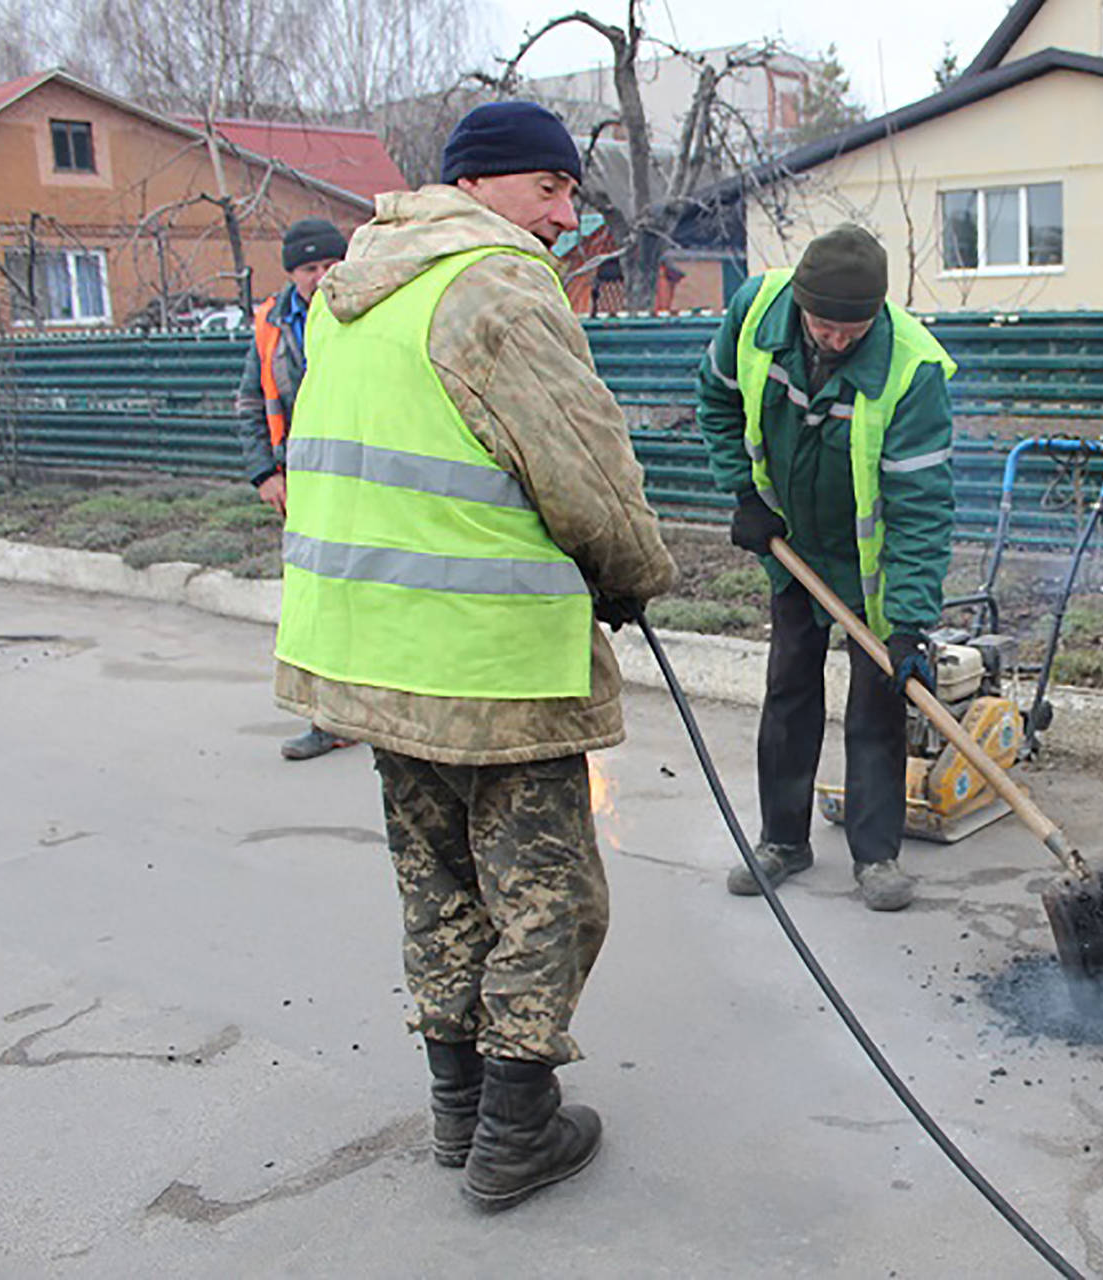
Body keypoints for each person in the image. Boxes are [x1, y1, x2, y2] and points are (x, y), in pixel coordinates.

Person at [272, 100, 677, 1208]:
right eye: (548, 188)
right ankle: (516, 1132)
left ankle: (457, 1111)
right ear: (484, 184)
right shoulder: (492, 287)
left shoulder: (361, 289)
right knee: (546, 893)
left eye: (568, 191)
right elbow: (585, 473)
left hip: (371, 651)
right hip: (490, 662)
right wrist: (633, 574)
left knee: (436, 883)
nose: (564, 213)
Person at [696, 224, 957, 913]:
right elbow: (717, 402)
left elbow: (920, 508)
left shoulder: (912, 370)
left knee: (876, 702)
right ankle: (783, 840)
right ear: (801, 305)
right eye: (823, 326)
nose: (836, 341)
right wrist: (745, 493)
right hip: (791, 545)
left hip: (866, 561)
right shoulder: (755, 313)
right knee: (788, 686)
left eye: (853, 329)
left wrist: (907, 623)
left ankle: (877, 857)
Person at [235, 216, 353, 761]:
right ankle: (328, 719)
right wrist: (265, 473)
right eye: (310, 268)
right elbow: (251, 403)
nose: (322, 276)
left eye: (331, 264)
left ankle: (381, 712)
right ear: (292, 273)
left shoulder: (366, 311)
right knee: (317, 604)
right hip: (303, 484)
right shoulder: (273, 324)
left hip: (363, 479)